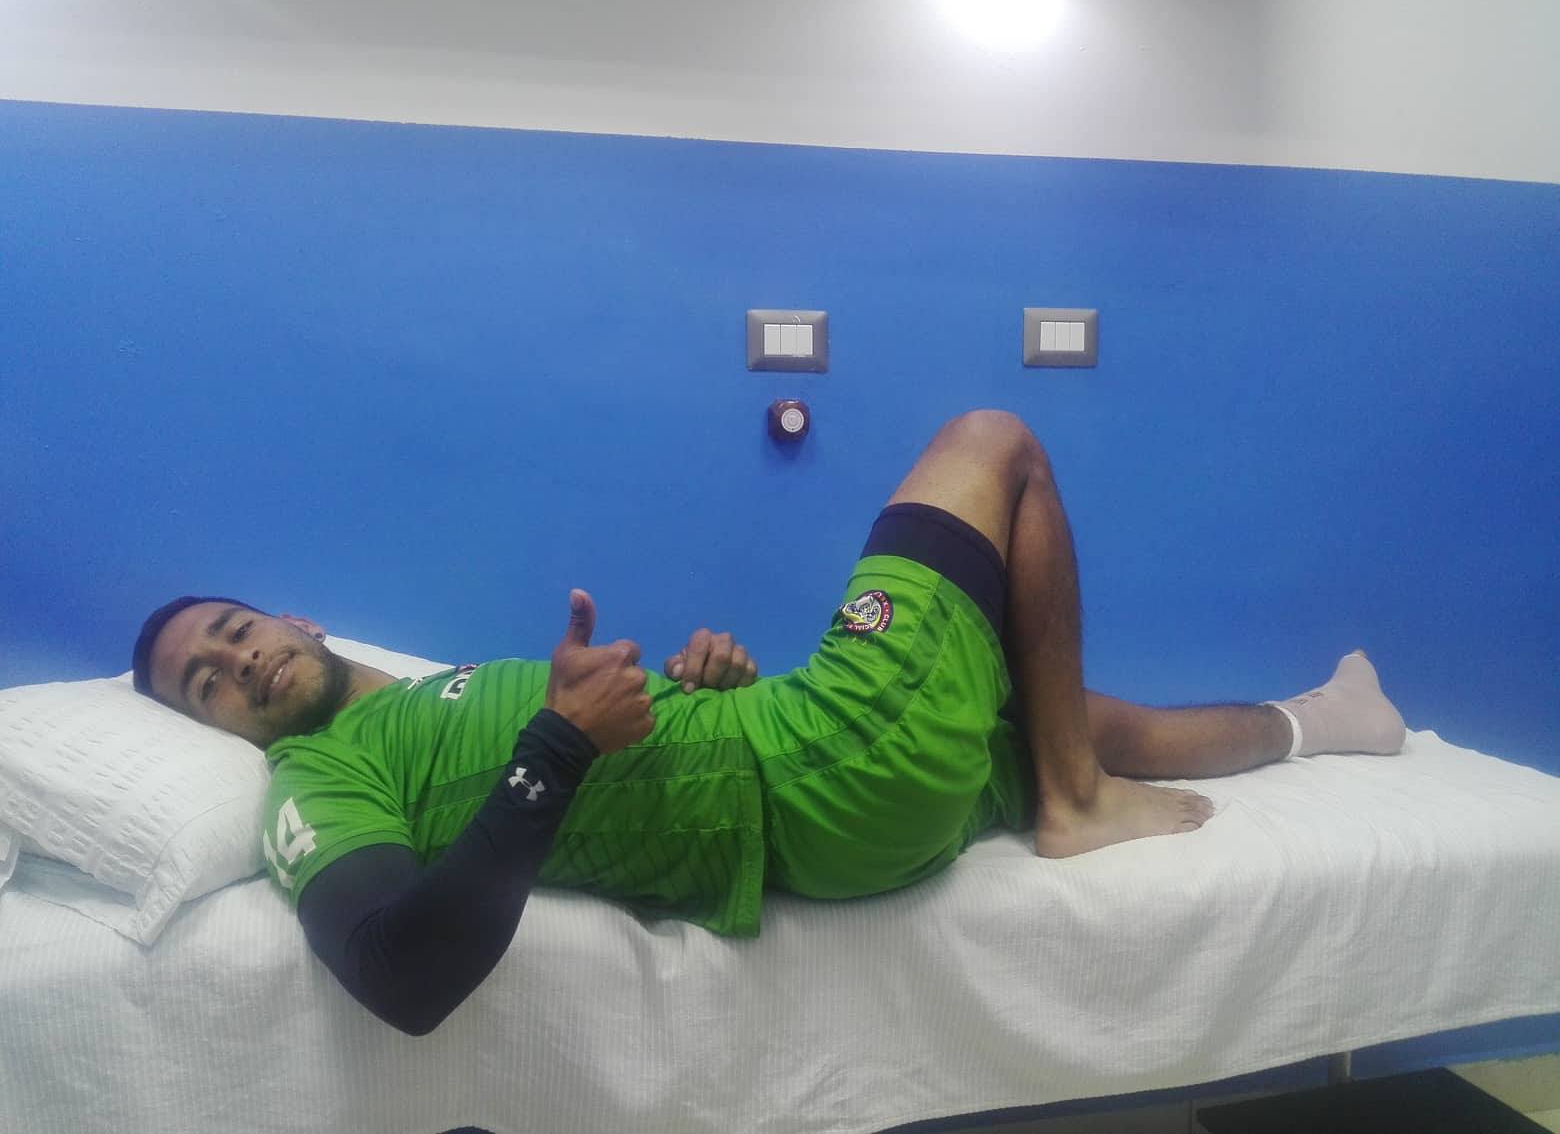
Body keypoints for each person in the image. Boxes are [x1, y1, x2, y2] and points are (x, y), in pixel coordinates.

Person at [131, 410, 1406, 1036]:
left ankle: (1323, 722)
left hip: (784, 737)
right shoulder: (315, 781)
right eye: (207, 683)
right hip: (821, 779)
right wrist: (559, 745)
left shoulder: (421, 694)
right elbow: (401, 975)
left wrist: (705, 693)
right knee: (994, 442)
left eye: (234, 630)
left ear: (293, 617)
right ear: (216, 728)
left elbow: (627, 777)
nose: (238, 662)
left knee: (1074, 713)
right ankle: (1075, 806)